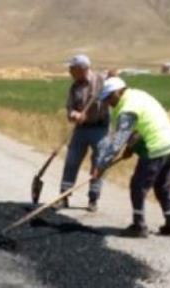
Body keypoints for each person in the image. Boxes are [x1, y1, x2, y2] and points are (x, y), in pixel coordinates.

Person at [95, 77, 170, 238]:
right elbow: (138, 127)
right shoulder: (137, 95)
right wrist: (130, 148)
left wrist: (101, 166)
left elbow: (117, 141)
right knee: (163, 185)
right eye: (105, 99)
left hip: (156, 146)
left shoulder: (127, 108)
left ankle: (139, 226)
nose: (108, 103)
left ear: (118, 92)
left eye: (109, 98)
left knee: (138, 186)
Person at [57, 54, 110, 212]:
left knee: (98, 163)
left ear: (82, 69)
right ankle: (63, 197)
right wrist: (74, 115)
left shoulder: (101, 81)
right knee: (71, 161)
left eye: (72, 69)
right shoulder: (74, 87)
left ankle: (93, 199)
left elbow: (114, 92)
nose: (69, 71)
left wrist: (112, 76)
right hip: (81, 129)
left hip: (100, 128)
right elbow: (70, 108)